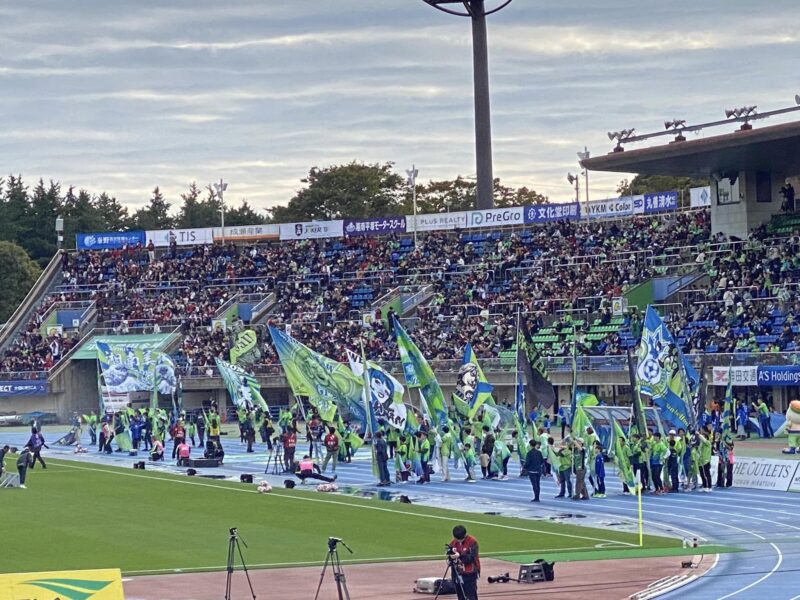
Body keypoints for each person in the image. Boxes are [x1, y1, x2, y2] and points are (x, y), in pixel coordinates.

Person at [449, 525, 480, 600]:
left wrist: (459, 556)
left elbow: (472, 558)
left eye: (461, 539)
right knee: (460, 596)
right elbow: (450, 560)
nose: (459, 541)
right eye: (457, 539)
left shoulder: (472, 542)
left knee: (471, 595)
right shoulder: (453, 543)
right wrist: (451, 557)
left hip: (470, 573)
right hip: (457, 573)